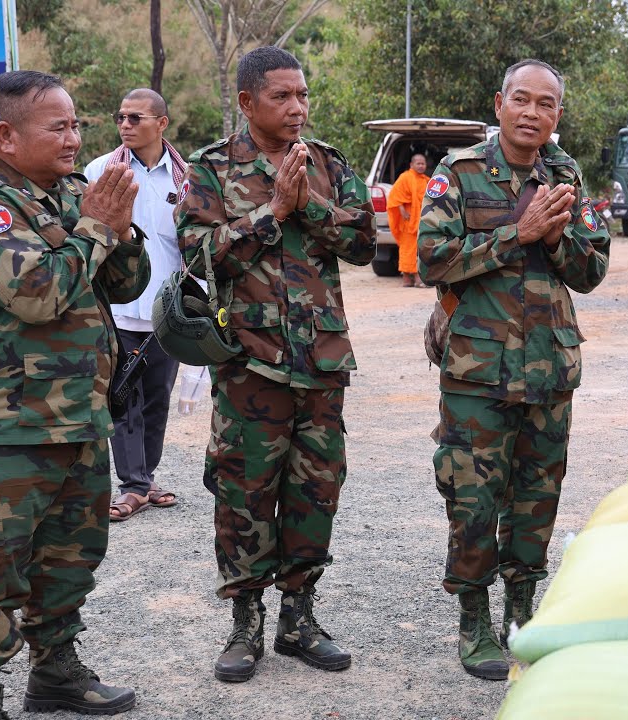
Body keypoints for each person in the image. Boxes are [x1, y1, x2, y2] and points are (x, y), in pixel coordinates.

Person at [0, 70, 147, 718]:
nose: (74, 137)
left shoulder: (74, 195)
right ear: (7, 135)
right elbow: (37, 293)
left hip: (77, 417)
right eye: (58, 126)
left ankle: (55, 670)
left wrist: (121, 228)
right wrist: (98, 230)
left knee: (69, 558)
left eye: (77, 124)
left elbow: (128, 284)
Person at [175, 46, 376, 683]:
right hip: (250, 366)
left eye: (303, 95)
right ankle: (245, 623)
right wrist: (273, 214)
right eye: (282, 96)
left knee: (316, 490)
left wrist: (310, 206)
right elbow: (201, 256)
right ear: (246, 103)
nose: (297, 108)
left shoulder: (327, 164)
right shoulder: (211, 169)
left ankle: (299, 616)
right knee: (243, 493)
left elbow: (367, 243)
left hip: (321, 361)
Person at [416, 58, 610, 680]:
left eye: (545, 104)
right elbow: (432, 260)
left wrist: (555, 241)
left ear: (558, 113)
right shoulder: (461, 171)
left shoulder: (566, 173)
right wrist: (519, 234)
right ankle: (474, 620)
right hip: (477, 371)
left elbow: (592, 270)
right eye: (521, 100)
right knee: (473, 500)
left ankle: (520, 614)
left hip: (550, 368)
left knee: (536, 500)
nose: (531, 113)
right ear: (499, 103)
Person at [83, 88, 187, 521]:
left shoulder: (186, 177)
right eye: (121, 117)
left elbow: (189, 245)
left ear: (161, 124)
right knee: (123, 399)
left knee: (157, 399)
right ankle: (132, 485)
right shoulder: (99, 171)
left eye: (136, 118)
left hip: (168, 312)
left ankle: (144, 477)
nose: (125, 124)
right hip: (120, 307)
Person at [387, 153, 430, 287]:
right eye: (418, 163)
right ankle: (413, 278)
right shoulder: (405, 177)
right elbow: (395, 195)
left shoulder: (426, 180)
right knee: (408, 248)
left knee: (419, 248)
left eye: (423, 163)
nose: (421, 166)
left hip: (422, 219)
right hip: (408, 219)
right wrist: (402, 210)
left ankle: (411, 277)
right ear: (411, 165)